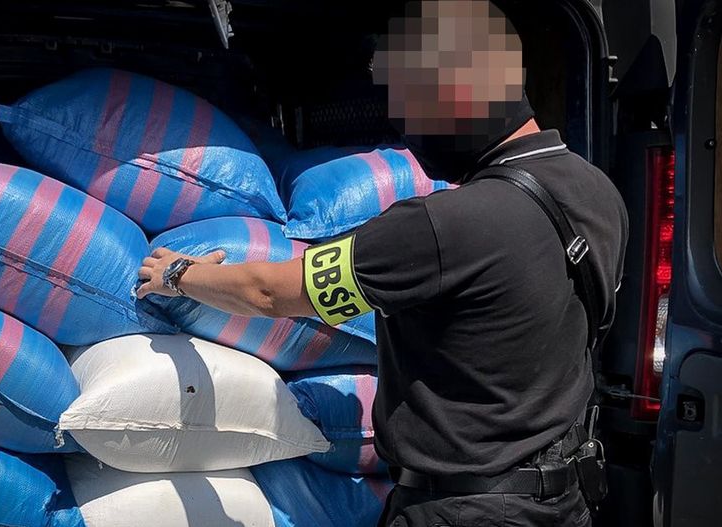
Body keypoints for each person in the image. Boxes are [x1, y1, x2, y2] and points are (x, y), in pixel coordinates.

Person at [137, 1, 628, 525]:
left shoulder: (439, 226)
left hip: (464, 510)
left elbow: (272, 292)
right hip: (564, 505)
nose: (406, 131)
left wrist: (179, 275)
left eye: (412, 108)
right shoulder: (599, 193)